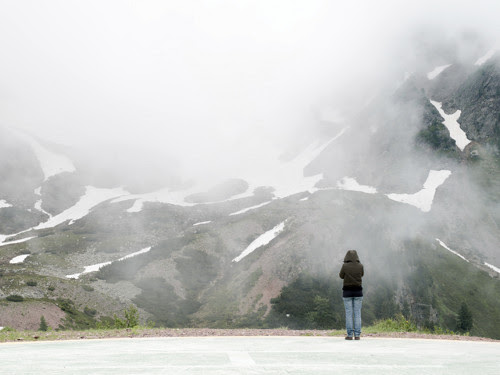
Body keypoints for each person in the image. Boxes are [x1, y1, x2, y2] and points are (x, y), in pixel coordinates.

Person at [339, 249, 364, 340]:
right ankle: (357, 335)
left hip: (347, 292)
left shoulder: (344, 266)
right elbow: (362, 275)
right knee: (357, 313)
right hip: (358, 292)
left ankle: (349, 335)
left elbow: (341, 276)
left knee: (349, 313)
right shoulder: (360, 266)